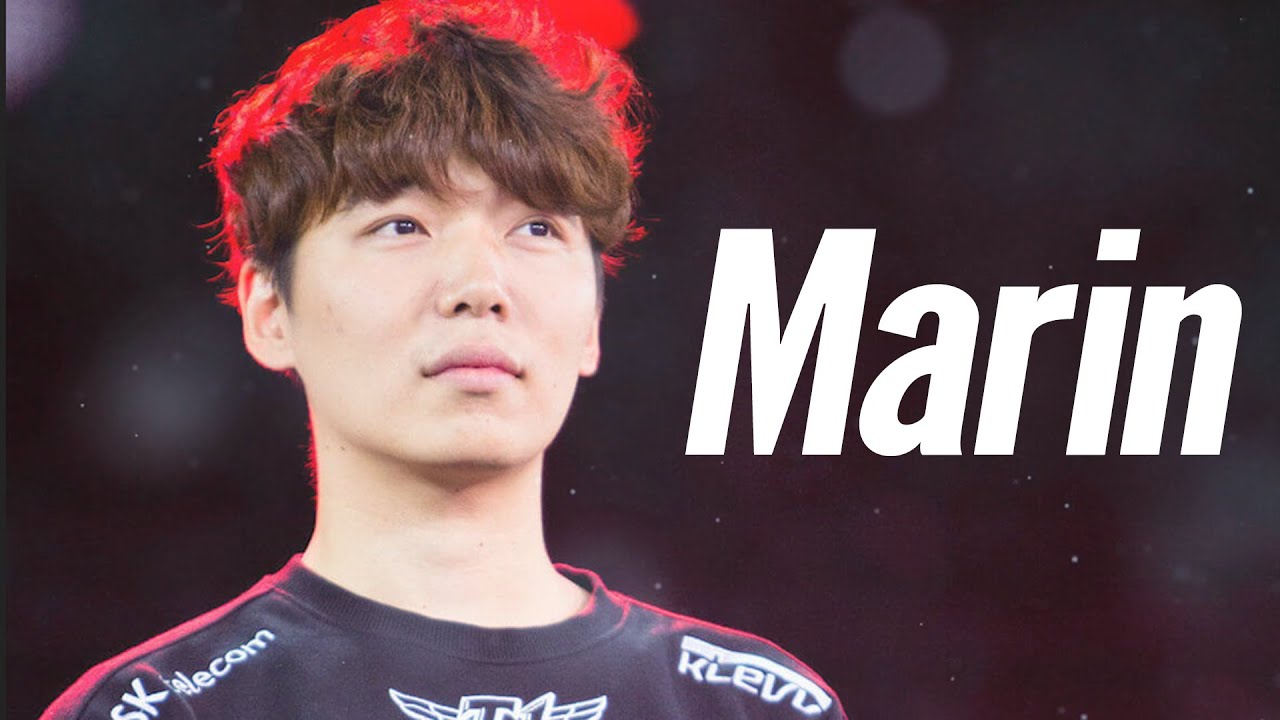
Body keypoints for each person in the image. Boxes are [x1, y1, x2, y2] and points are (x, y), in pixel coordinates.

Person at [41, 1, 847, 718]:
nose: (479, 287)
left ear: (594, 322)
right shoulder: (160, 710)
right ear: (268, 311)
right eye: (402, 226)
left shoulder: (755, 706)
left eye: (536, 228)